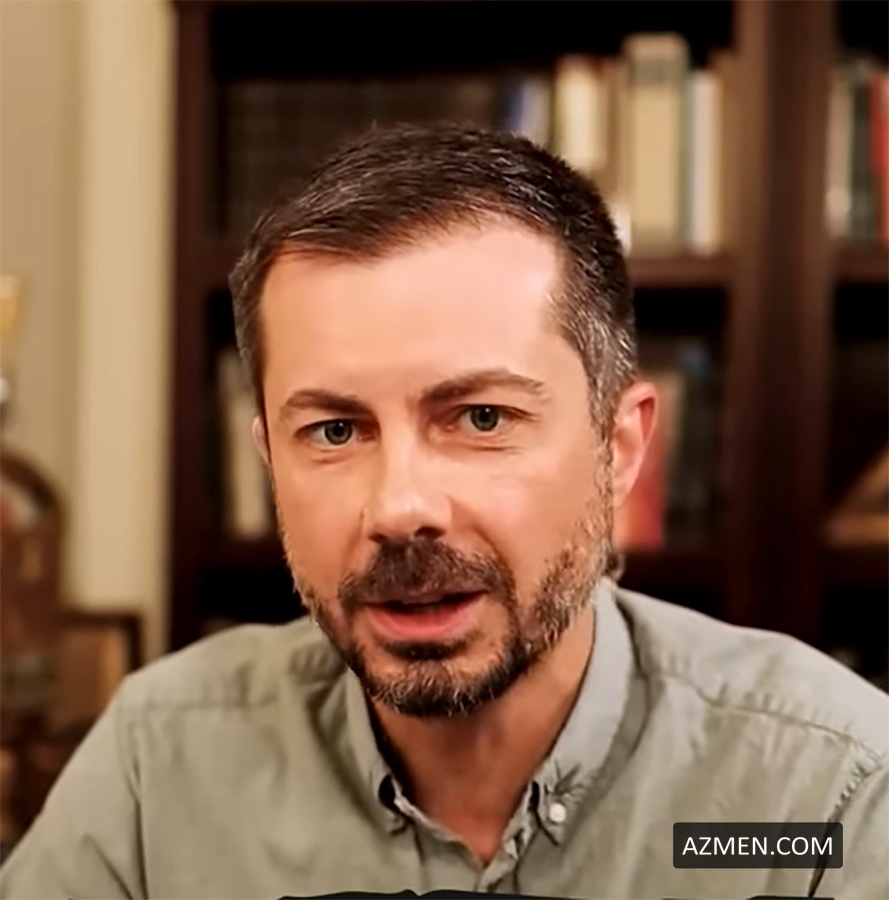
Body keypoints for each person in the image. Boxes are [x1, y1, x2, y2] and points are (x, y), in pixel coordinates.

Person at [1, 123, 886, 900]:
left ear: (618, 448)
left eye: (481, 419)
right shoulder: (157, 768)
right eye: (335, 430)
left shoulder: (820, 793)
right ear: (269, 457)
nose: (399, 508)